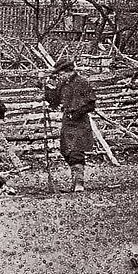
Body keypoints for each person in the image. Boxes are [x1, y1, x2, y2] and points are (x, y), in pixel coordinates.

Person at [43, 59, 98, 192]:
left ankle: (79, 183)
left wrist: (77, 113)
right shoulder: (62, 84)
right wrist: (47, 88)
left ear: (69, 71)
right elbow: (54, 101)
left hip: (80, 122)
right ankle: (75, 181)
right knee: (65, 151)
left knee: (76, 151)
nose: (60, 76)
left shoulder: (82, 82)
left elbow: (91, 104)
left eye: (61, 73)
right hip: (67, 121)